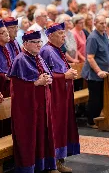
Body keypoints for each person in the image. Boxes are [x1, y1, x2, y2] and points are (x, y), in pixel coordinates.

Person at [8, 30, 57, 173]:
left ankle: (43, 165)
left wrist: (48, 79)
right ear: (25, 44)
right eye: (34, 42)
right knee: (29, 137)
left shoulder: (39, 57)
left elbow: (46, 74)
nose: (38, 45)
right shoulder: (20, 59)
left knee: (43, 134)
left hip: (41, 105)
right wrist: (36, 83)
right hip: (26, 108)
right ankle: (28, 168)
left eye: (39, 42)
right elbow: (16, 88)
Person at [40, 23, 80, 172]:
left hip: (63, 96)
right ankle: (51, 163)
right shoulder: (46, 51)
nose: (64, 36)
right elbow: (47, 76)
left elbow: (61, 68)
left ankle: (60, 161)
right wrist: (65, 76)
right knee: (55, 129)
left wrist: (69, 72)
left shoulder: (58, 50)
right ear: (50, 36)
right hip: (54, 98)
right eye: (60, 33)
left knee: (63, 128)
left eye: (64, 33)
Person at [81, 15, 109, 129]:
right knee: (95, 98)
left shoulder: (104, 35)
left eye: (105, 23)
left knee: (102, 97)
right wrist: (98, 71)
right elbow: (90, 58)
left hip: (104, 72)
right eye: (101, 23)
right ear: (95, 23)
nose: (104, 25)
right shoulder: (93, 38)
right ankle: (91, 120)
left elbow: (108, 53)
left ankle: (98, 117)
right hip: (94, 73)